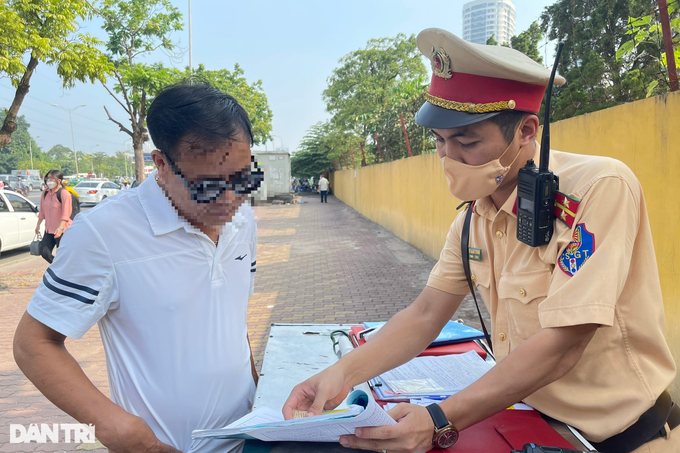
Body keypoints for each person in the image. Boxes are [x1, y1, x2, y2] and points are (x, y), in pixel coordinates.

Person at [283, 28, 678, 453]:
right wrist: (340, 375)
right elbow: (424, 315)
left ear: (526, 131)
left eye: (466, 142)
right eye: (440, 143)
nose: (450, 159)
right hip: (531, 426)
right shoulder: (474, 216)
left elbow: (563, 344)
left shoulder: (599, 189)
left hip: (622, 439)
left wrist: (438, 420)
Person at [14, 83, 264, 453]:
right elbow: (33, 343)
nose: (229, 200)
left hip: (248, 438)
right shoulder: (104, 232)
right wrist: (122, 432)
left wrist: (259, 399)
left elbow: (231, 319)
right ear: (161, 165)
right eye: (208, 186)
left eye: (242, 178)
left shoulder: (244, 219)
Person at [34, 170, 72, 263]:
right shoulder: (45, 192)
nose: (48, 180)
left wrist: (60, 228)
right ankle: (58, 268)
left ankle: (64, 272)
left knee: (62, 254)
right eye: (48, 178)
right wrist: (38, 225)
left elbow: (66, 213)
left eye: (51, 178)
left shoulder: (64, 193)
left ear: (59, 180)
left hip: (63, 230)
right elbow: (42, 211)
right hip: (49, 230)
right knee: (44, 252)